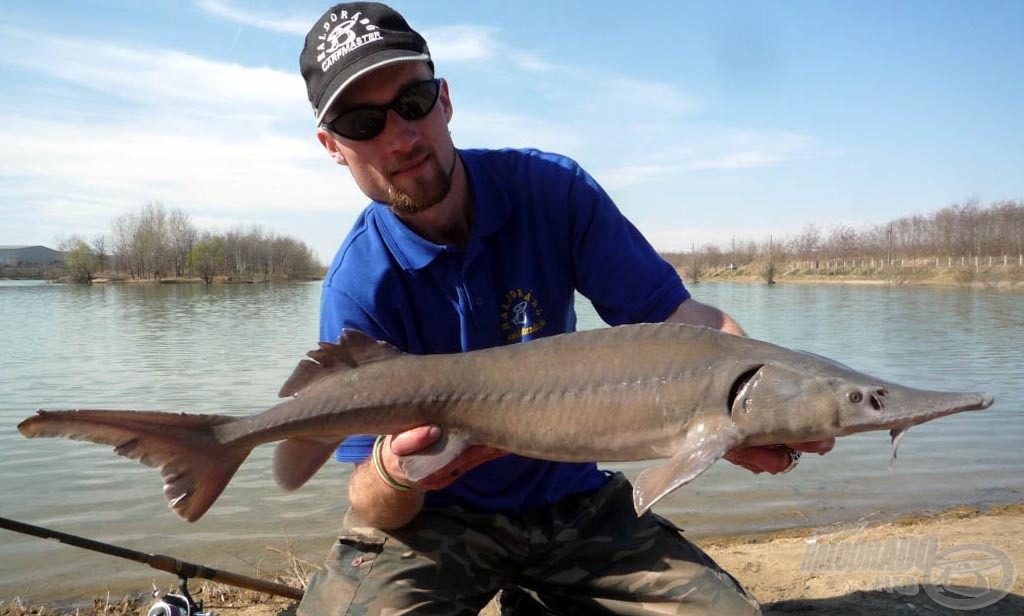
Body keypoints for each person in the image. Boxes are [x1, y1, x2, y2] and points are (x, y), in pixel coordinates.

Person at [296, 3, 833, 614]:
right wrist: (395, 474)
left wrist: (746, 398)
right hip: (435, 525)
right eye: (363, 122)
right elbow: (370, 500)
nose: (400, 136)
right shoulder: (358, 282)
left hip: (573, 503)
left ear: (444, 101)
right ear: (332, 146)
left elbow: (682, 321)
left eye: (412, 102)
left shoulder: (552, 191)